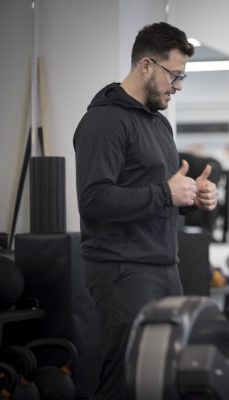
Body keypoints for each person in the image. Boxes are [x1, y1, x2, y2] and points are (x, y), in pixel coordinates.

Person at [73, 22, 218, 400]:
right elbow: (93, 200)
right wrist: (164, 193)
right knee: (126, 383)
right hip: (122, 272)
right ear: (147, 66)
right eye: (175, 75)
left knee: (165, 382)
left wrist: (192, 195)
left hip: (164, 267)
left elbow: (157, 195)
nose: (179, 85)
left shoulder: (159, 125)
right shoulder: (103, 121)